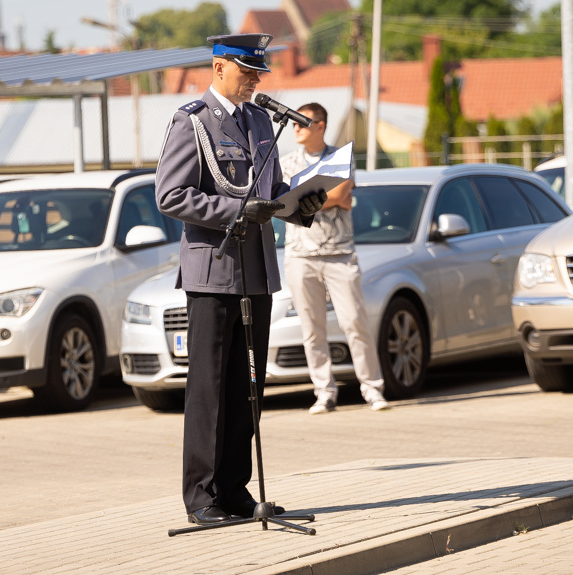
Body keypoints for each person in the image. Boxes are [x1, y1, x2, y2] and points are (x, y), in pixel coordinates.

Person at [155, 34, 327, 525]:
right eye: (247, 72)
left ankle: (234, 489)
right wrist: (237, 208)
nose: (255, 81)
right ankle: (201, 496)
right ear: (218, 67)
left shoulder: (258, 121)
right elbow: (170, 196)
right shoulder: (192, 121)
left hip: (256, 272)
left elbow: (269, 192)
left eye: (259, 74)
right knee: (209, 387)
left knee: (247, 386)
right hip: (213, 270)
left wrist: (301, 203)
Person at [280, 103, 390, 414]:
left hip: (340, 253)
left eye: (303, 122)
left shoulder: (340, 157)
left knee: (355, 321)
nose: (296, 128)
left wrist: (309, 200)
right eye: (293, 123)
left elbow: (342, 195)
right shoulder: (287, 162)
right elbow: (289, 204)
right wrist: (318, 199)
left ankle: (372, 388)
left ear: (321, 125)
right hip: (300, 255)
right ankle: (324, 392)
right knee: (311, 327)